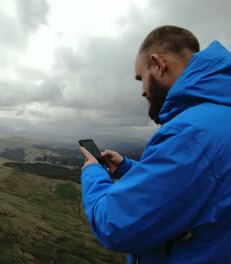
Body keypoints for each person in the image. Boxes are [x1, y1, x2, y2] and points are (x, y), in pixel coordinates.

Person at [79, 25, 231, 263]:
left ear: (158, 65)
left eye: (141, 78)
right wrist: (128, 168)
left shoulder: (190, 134)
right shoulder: (219, 117)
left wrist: (93, 173)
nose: (141, 91)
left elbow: (115, 224)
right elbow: (195, 182)